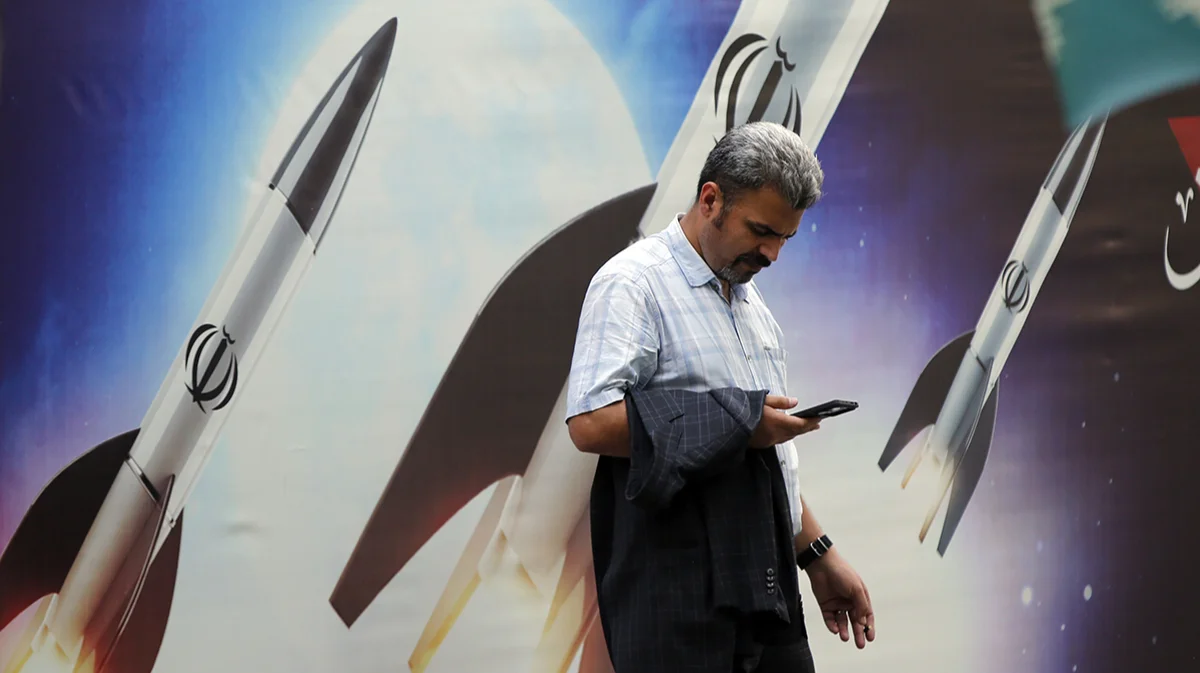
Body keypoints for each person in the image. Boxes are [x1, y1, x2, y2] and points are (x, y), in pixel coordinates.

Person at [564, 121, 874, 672]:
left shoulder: (754, 310)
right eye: (761, 230)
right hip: (676, 602)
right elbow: (589, 423)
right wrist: (738, 421)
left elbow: (762, 460)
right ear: (710, 200)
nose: (772, 253)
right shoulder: (633, 283)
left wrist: (817, 554)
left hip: (764, 588)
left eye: (785, 238)